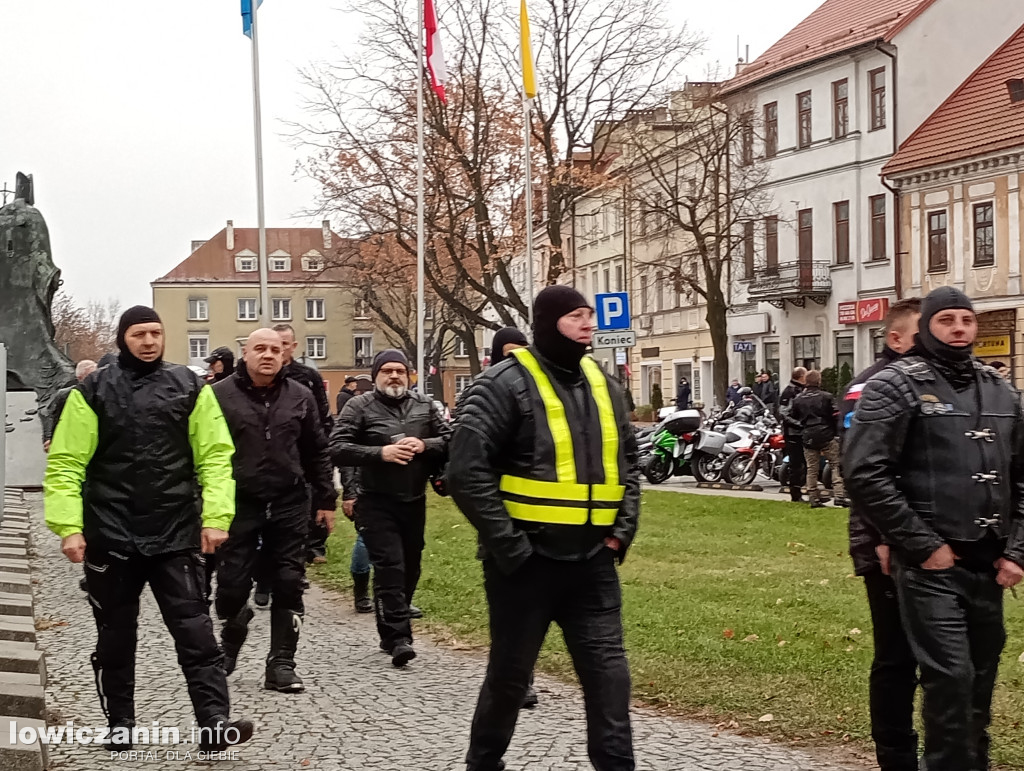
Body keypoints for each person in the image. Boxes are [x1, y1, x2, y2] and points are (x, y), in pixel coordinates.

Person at [42, 306, 252, 752]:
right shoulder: (92, 390)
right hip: (111, 533)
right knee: (116, 636)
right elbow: (65, 464)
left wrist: (216, 518)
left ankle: (215, 724)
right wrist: (68, 527)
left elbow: (215, 456)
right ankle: (120, 722)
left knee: (196, 633)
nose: (149, 341)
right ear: (123, 339)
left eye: (156, 332)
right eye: (139, 333)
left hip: (174, 531)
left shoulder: (192, 387)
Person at [449, 285, 641, 771]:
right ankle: (483, 764)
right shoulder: (501, 384)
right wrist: (511, 547)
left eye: (590, 316)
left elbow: (630, 464)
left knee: (609, 680)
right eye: (577, 316)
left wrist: (621, 531)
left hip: (592, 563)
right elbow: (466, 472)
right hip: (525, 566)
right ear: (549, 322)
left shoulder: (605, 384)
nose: (588, 324)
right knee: (510, 677)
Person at [845, 287, 1024, 771]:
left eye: (967, 319)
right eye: (948, 319)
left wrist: (1017, 551)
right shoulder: (894, 385)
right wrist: (921, 544)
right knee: (949, 677)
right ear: (926, 327)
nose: (960, 328)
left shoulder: (1002, 389)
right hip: (929, 563)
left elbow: (1020, 475)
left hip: (989, 563)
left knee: (980, 681)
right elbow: (863, 470)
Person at [212, 328, 336, 693]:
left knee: (288, 581)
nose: (268, 354)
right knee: (232, 586)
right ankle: (233, 629)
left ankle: (281, 663)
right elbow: (200, 454)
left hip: (289, 501)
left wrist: (325, 500)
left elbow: (317, 450)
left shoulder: (300, 395)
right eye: (260, 348)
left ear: (285, 355)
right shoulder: (217, 396)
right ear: (244, 354)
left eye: (276, 349)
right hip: (238, 502)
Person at [838, 297, 921, 771]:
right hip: (882, 542)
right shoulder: (867, 387)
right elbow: (861, 469)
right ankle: (896, 756)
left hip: (927, 539)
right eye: (921, 334)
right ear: (895, 339)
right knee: (895, 656)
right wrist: (882, 537)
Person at [329, 349, 450, 667]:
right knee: (390, 568)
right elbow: (337, 448)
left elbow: (452, 439)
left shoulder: (424, 405)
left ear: (409, 375)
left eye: (400, 370)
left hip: (414, 500)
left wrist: (425, 445)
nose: (394, 376)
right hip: (376, 500)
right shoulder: (359, 406)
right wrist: (380, 453)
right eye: (387, 371)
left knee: (410, 568)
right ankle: (400, 638)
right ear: (375, 376)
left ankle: (389, 628)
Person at [271, 324, 334, 566]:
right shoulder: (265, 376)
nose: (280, 349)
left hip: (306, 447)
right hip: (279, 450)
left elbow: (322, 412)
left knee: (315, 495)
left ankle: (316, 546)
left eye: (285, 344)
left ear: (293, 346)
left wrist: (322, 439)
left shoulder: (309, 377)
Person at [791, 370, 845, 508]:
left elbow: (794, 416)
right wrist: (835, 431)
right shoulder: (826, 396)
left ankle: (813, 498)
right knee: (835, 465)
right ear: (819, 381)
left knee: (811, 468)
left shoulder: (798, 399)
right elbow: (835, 415)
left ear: (806, 381)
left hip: (808, 435)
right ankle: (839, 495)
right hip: (826, 434)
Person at [42, 359, 96, 452]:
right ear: (80, 378)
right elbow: (51, 415)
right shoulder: (65, 395)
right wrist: (49, 438)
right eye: (91, 376)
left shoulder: (103, 394)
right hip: (73, 441)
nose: (95, 379)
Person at [777, 367, 807, 503]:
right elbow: (783, 412)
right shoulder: (789, 392)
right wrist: (798, 424)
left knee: (804, 463)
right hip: (793, 433)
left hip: (801, 432)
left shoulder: (801, 390)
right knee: (796, 464)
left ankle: (802, 490)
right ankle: (796, 494)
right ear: (801, 377)